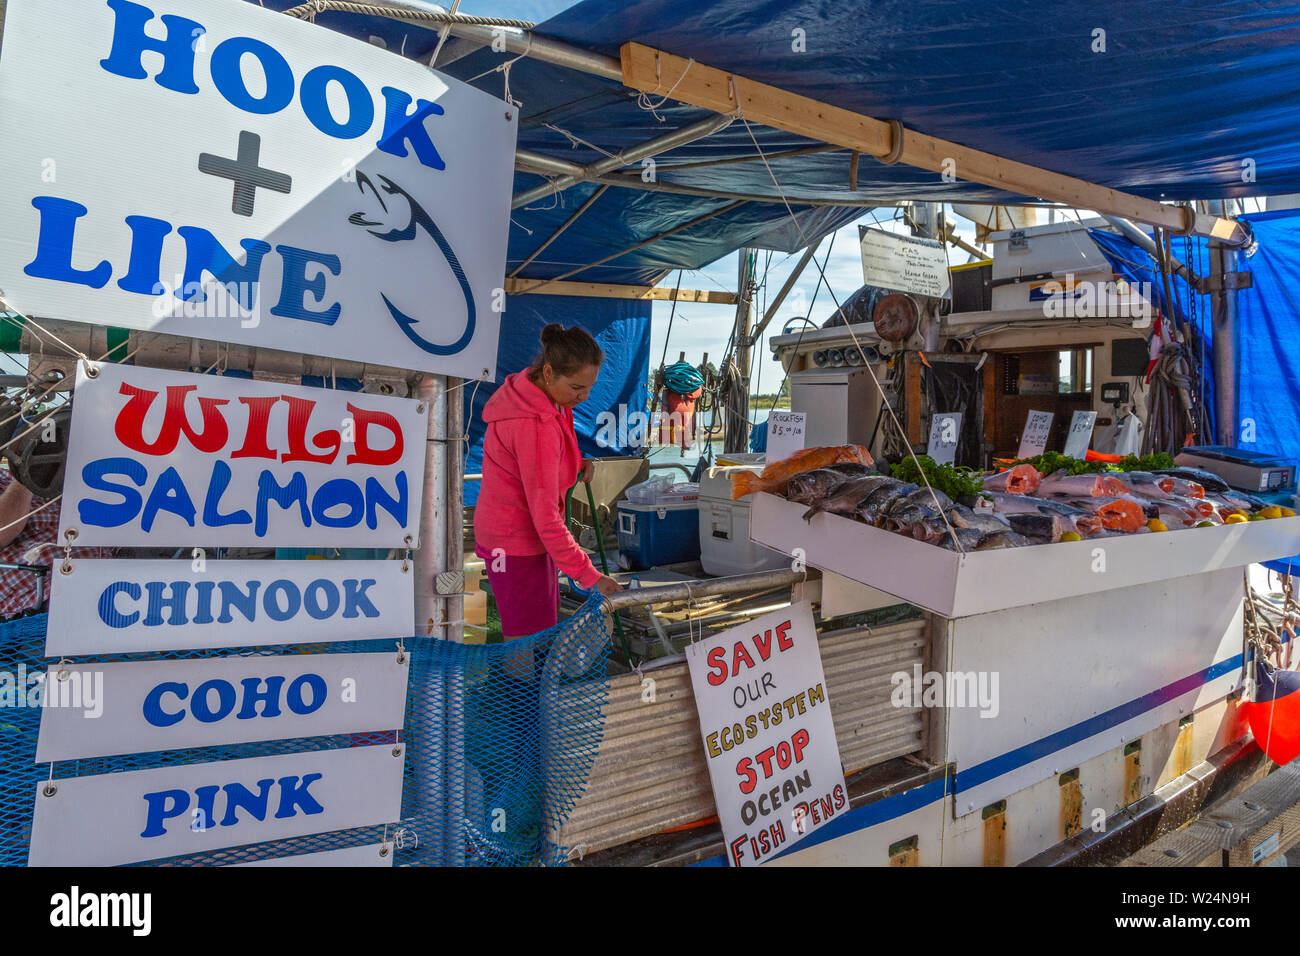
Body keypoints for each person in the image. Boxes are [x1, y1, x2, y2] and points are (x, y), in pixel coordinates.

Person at [474, 324, 621, 656]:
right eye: (576, 388)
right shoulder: (533, 424)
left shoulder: (531, 392)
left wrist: (572, 463)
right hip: (516, 543)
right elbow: (545, 518)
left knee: (537, 626)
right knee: (527, 640)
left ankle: (525, 695)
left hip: (513, 537)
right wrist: (591, 577)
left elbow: (537, 462)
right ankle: (521, 704)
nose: (583, 398)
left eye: (589, 388)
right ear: (549, 372)